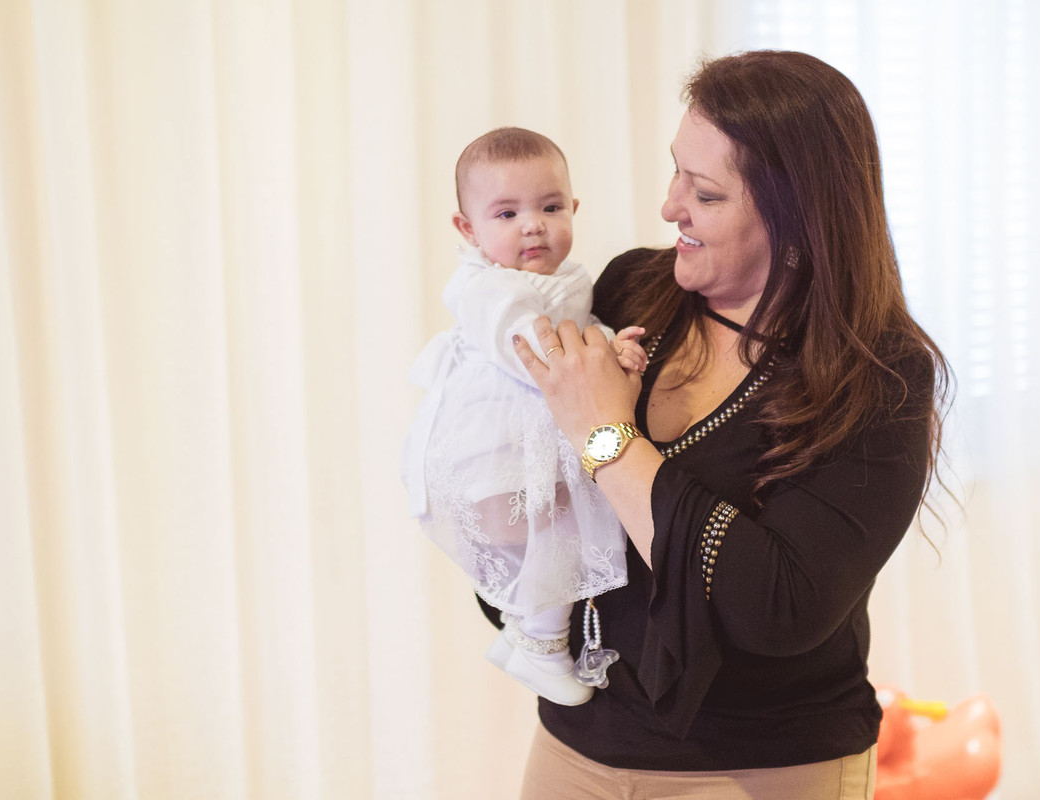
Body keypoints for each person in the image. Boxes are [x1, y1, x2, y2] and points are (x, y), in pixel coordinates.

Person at [502, 51, 953, 798]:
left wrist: (608, 440)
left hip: (761, 765)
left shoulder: (878, 375)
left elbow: (778, 608)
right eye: (677, 170)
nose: (669, 205)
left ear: (799, 215)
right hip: (575, 745)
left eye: (705, 193)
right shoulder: (630, 289)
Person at [402, 127, 649, 708]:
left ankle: (528, 638)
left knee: (561, 527)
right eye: (507, 213)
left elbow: (574, 335)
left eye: (550, 206)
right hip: (491, 445)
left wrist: (610, 345)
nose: (532, 224)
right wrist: (600, 361)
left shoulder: (566, 280)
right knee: (554, 532)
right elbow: (529, 345)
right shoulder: (486, 288)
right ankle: (537, 643)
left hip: (528, 437)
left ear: (573, 209)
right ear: (469, 229)